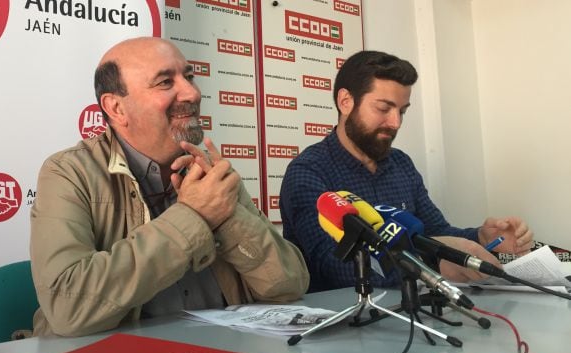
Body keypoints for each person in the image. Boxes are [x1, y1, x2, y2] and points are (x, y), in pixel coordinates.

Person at [30, 37, 309, 337]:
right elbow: (68, 307)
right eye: (165, 82)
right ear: (116, 108)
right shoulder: (68, 172)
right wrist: (194, 216)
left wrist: (226, 217)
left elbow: (289, 285)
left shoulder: (210, 174)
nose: (192, 92)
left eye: (189, 77)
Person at [279, 50, 533, 293]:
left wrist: (482, 237)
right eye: (383, 108)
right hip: (343, 322)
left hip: (412, 312)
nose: (395, 123)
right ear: (345, 102)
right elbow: (336, 267)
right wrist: (430, 261)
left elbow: (435, 232)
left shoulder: (401, 164)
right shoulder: (308, 172)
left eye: (402, 111)